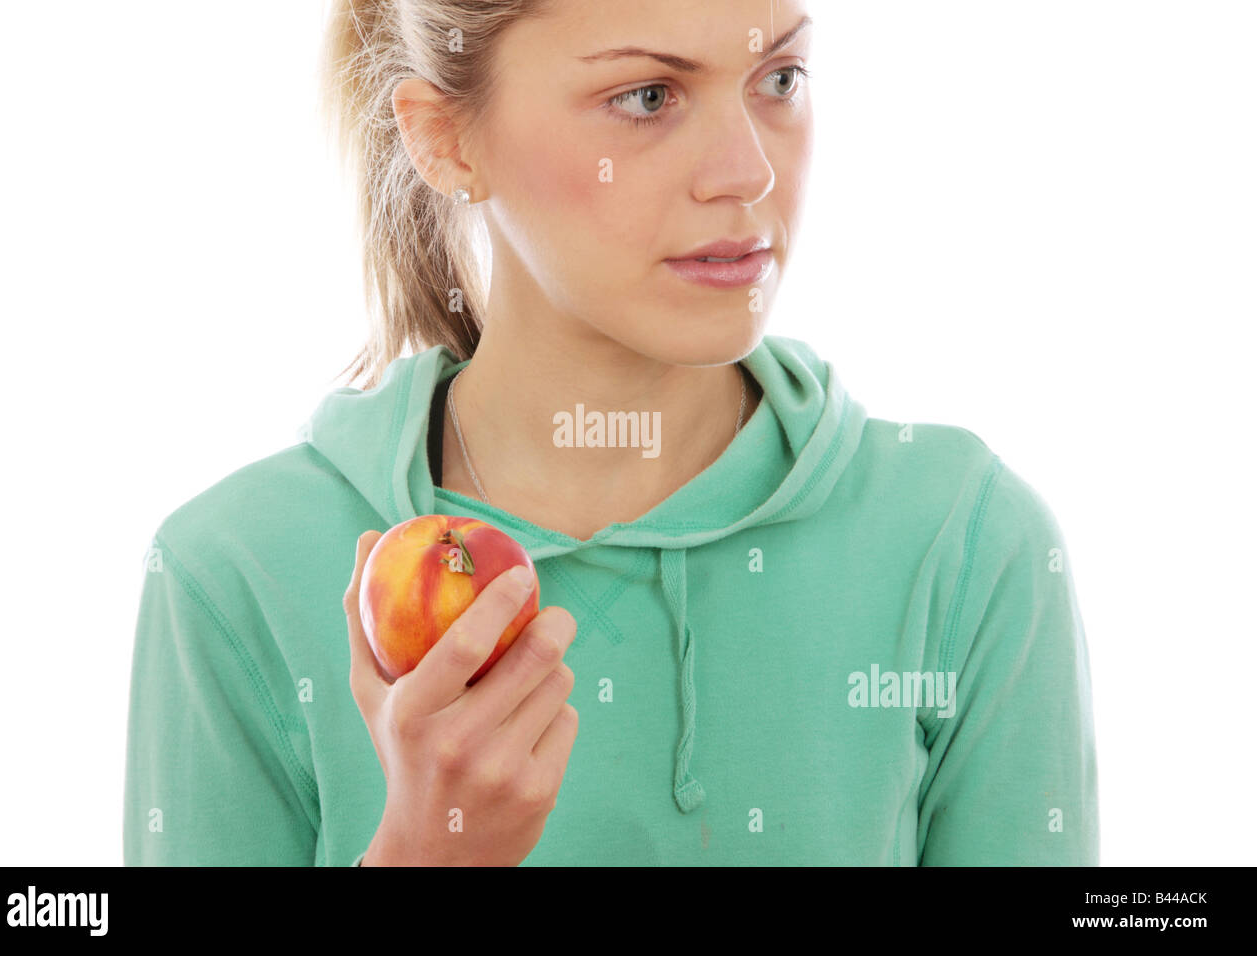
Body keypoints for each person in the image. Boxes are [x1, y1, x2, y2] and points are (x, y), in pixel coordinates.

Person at [123, 0, 1099, 866]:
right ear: (444, 140)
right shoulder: (231, 573)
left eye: (779, 78)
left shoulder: (965, 541)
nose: (745, 173)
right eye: (646, 98)